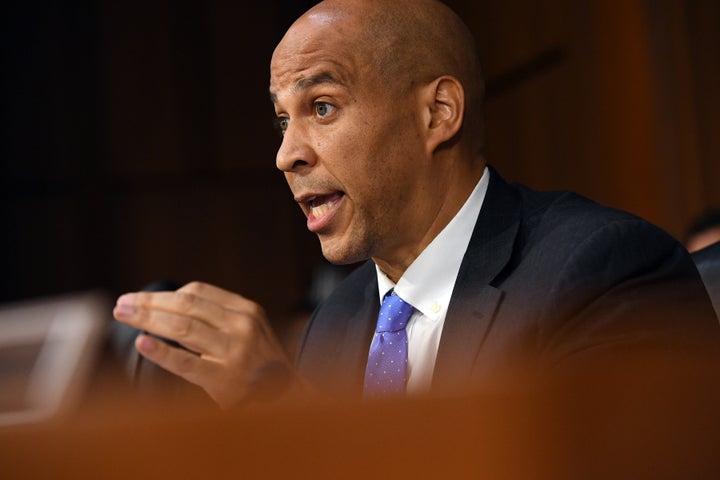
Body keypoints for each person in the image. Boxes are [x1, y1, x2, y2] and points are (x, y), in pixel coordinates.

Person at [112, 0, 720, 408]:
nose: (286, 155)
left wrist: (284, 410)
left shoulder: (604, 274)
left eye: (321, 107)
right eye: (281, 120)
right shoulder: (337, 322)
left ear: (438, 113)